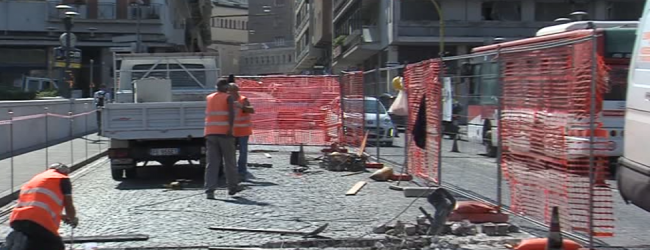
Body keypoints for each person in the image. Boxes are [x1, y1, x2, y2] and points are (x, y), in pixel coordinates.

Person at [0, 163, 78, 250]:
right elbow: (69, 204)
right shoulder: (62, 178)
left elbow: (37, 205)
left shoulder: (39, 178)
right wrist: (73, 218)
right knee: (56, 246)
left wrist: (62, 217)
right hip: (40, 223)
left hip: (18, 219)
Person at [204, 79, 244, 199]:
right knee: (229, 162)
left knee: (212, 163)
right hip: (225, 133)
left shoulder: (209, 97)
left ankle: (209, 190)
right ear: (226, 87)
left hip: (210, 133)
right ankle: (232, 187)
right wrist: (231, 129)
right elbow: (231, 114)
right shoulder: (228, 98)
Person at [228, 83, 255, 181]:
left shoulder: (243, 100)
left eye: (230, 91)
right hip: (232, 131)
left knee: (243, 152)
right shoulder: (228, 100)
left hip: (243, 131)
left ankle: (242, 170)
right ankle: (232, 169)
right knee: (231, 152)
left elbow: (252, 110)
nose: (229, 93)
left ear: (235, 91)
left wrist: (242, 107)